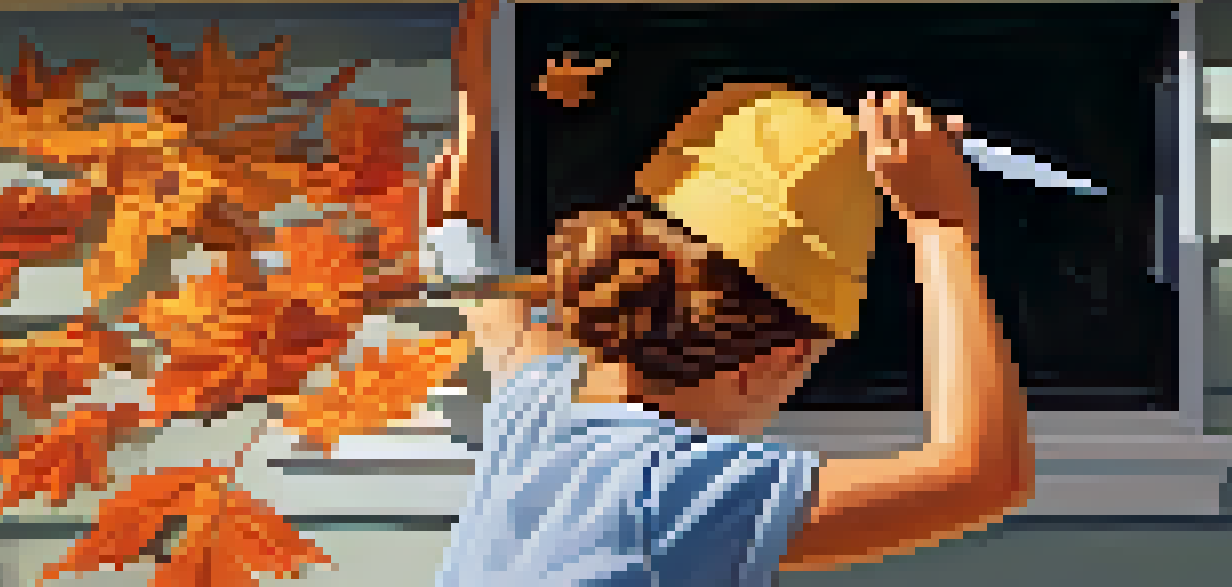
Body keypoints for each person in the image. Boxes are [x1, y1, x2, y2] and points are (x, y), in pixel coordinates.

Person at [423, 86, 1035, 585]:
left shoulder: (538, 404)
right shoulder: (680, 492)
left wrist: (453, 229)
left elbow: (494, 308)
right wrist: (941, 228)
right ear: (777, 360)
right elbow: (980, 476)